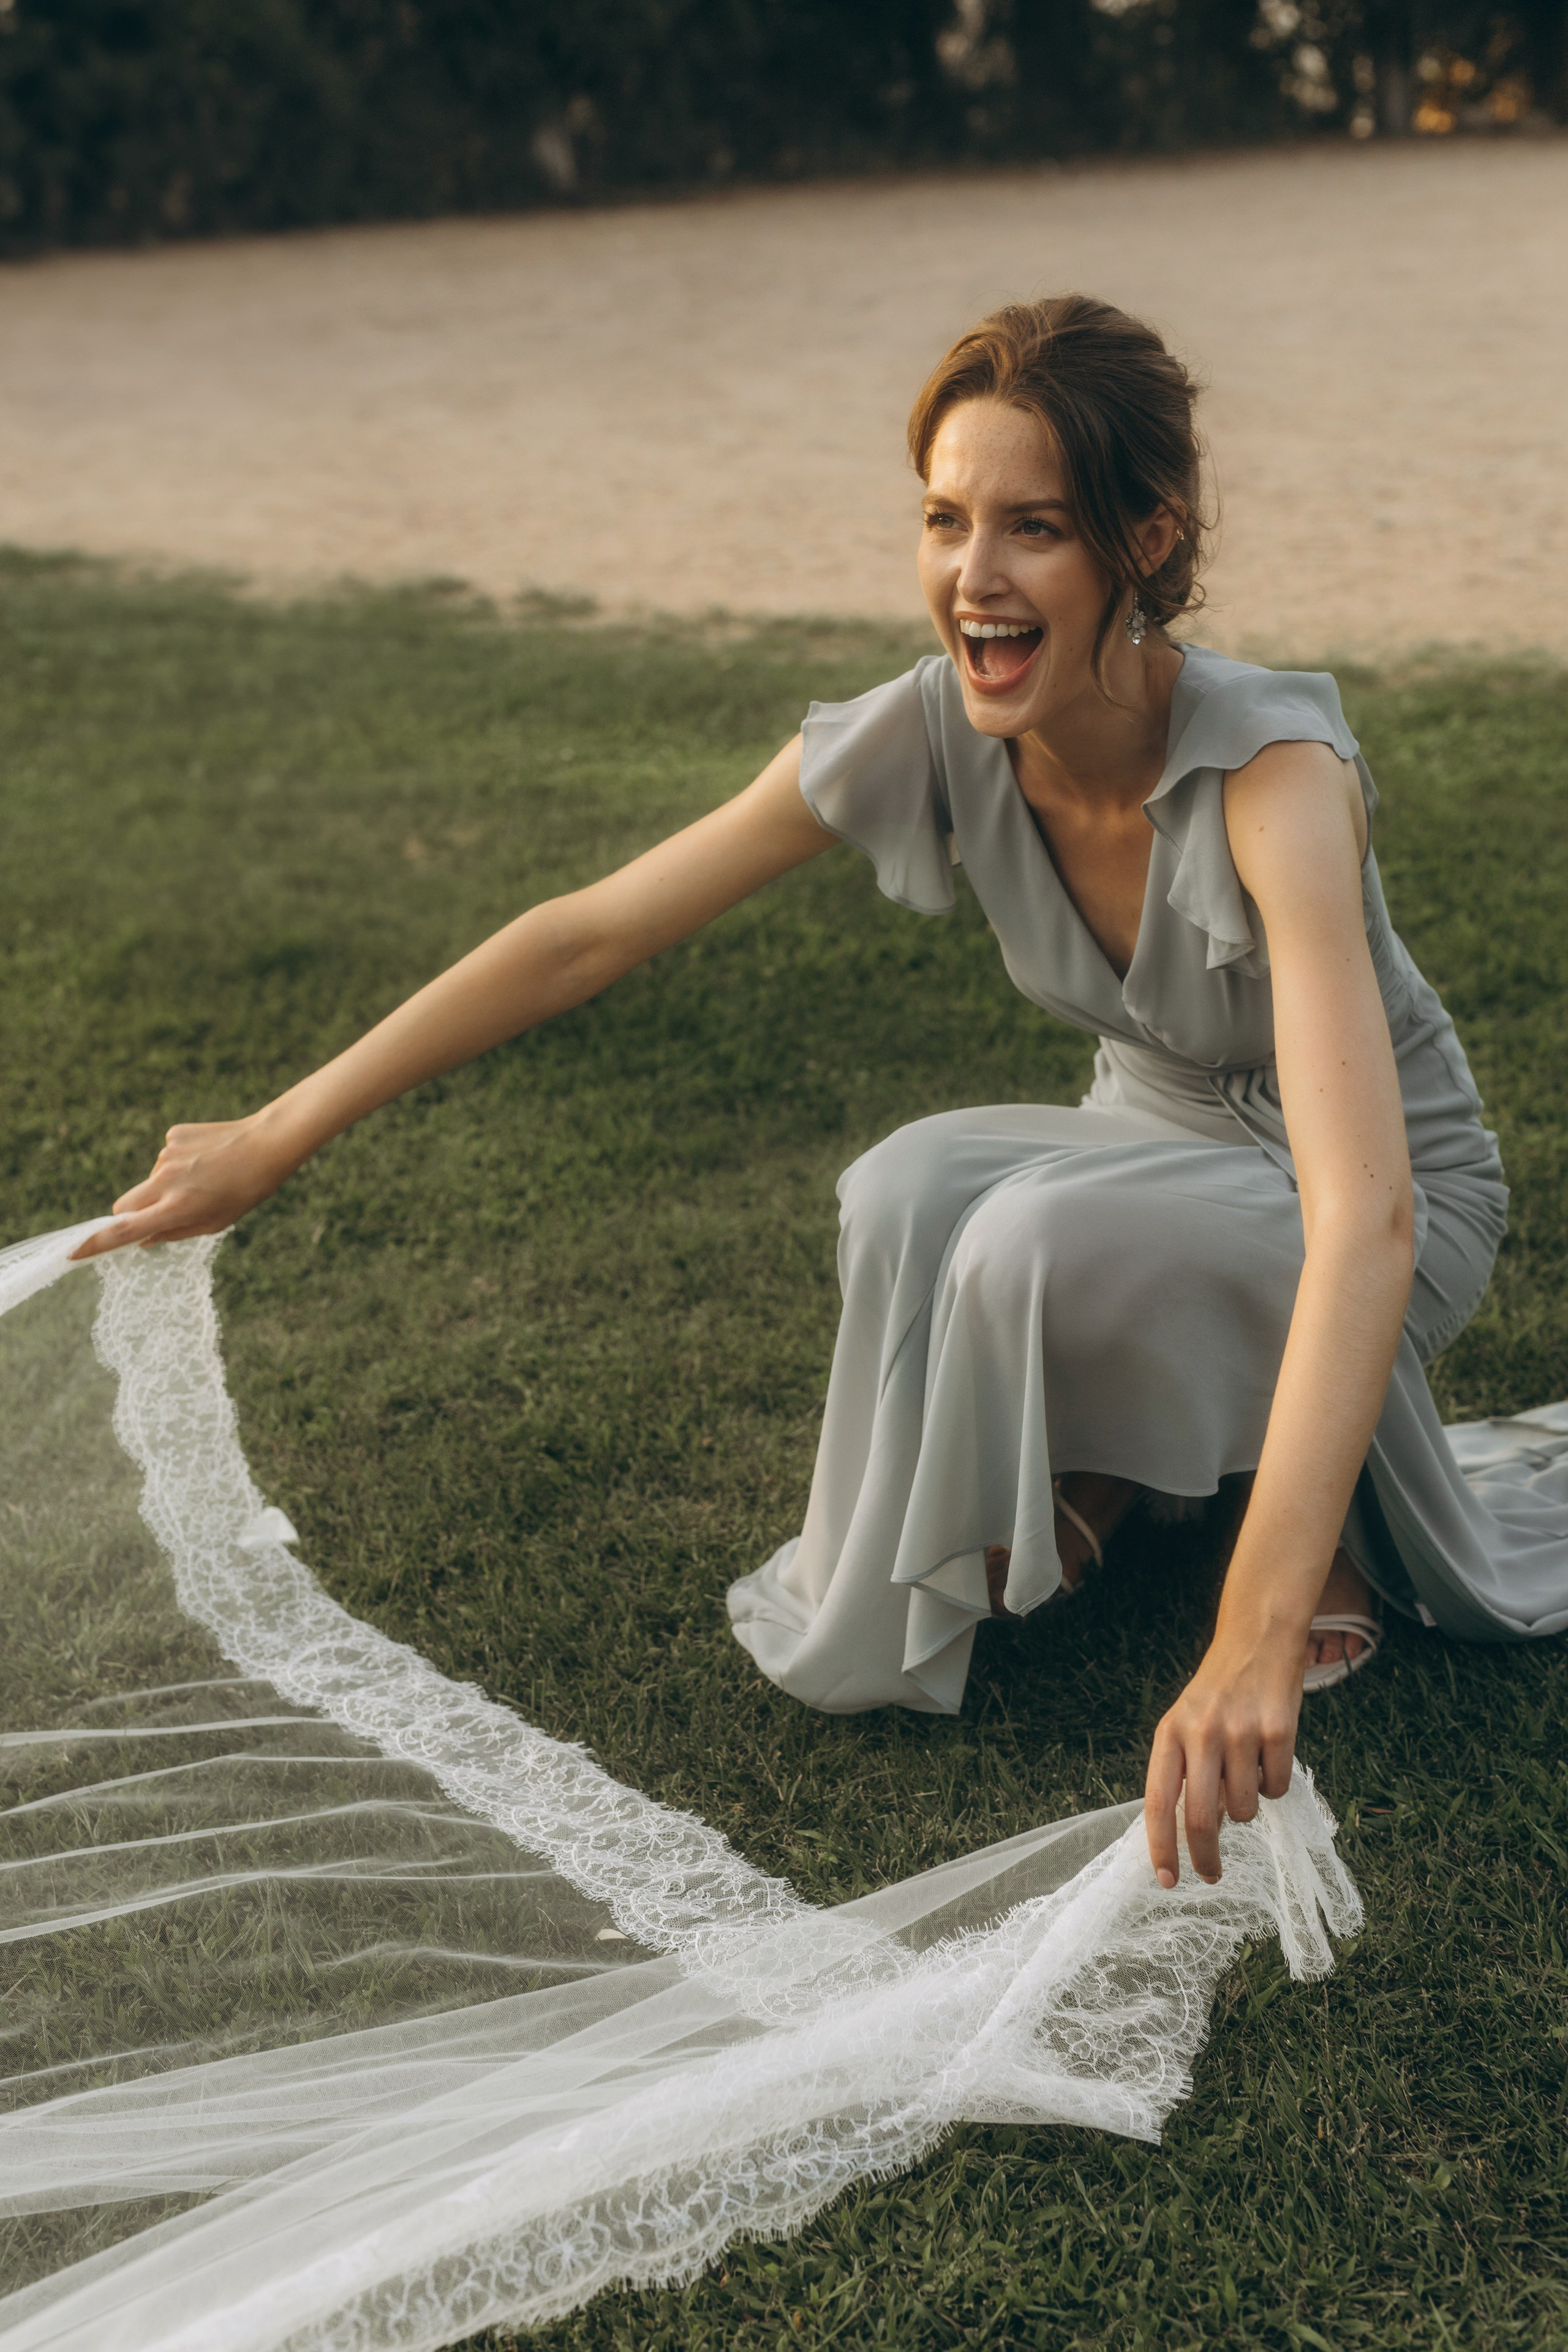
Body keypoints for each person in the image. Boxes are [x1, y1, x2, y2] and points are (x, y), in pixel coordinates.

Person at [78, 293, 1548, 1898]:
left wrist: (1254, 1633)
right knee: (907, 1190)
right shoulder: (930, 729)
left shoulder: (1274, 778)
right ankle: (1126, 1460)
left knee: (1030, 1243)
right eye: (944, 518)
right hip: (1154, 1143)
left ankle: (1269, 1511)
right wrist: (280, 1130)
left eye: (1034, 528)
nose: (973, 575)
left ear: (1147, 537)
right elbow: (593, 934)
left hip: (1387, 1188)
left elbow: (1372, 1213)